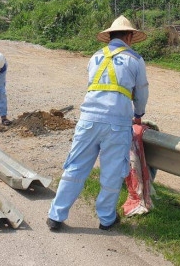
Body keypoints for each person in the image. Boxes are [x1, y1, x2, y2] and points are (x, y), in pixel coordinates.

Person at [47, 15, 149, 232]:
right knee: (112, 172)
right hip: (117, 123)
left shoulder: (94, 57)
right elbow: (141, 91)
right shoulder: (135, 59)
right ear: (129, 36)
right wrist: (138, 113)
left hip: (88, 120)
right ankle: (106, 218)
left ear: (109, 36)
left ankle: (56, 216)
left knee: (75, 168)